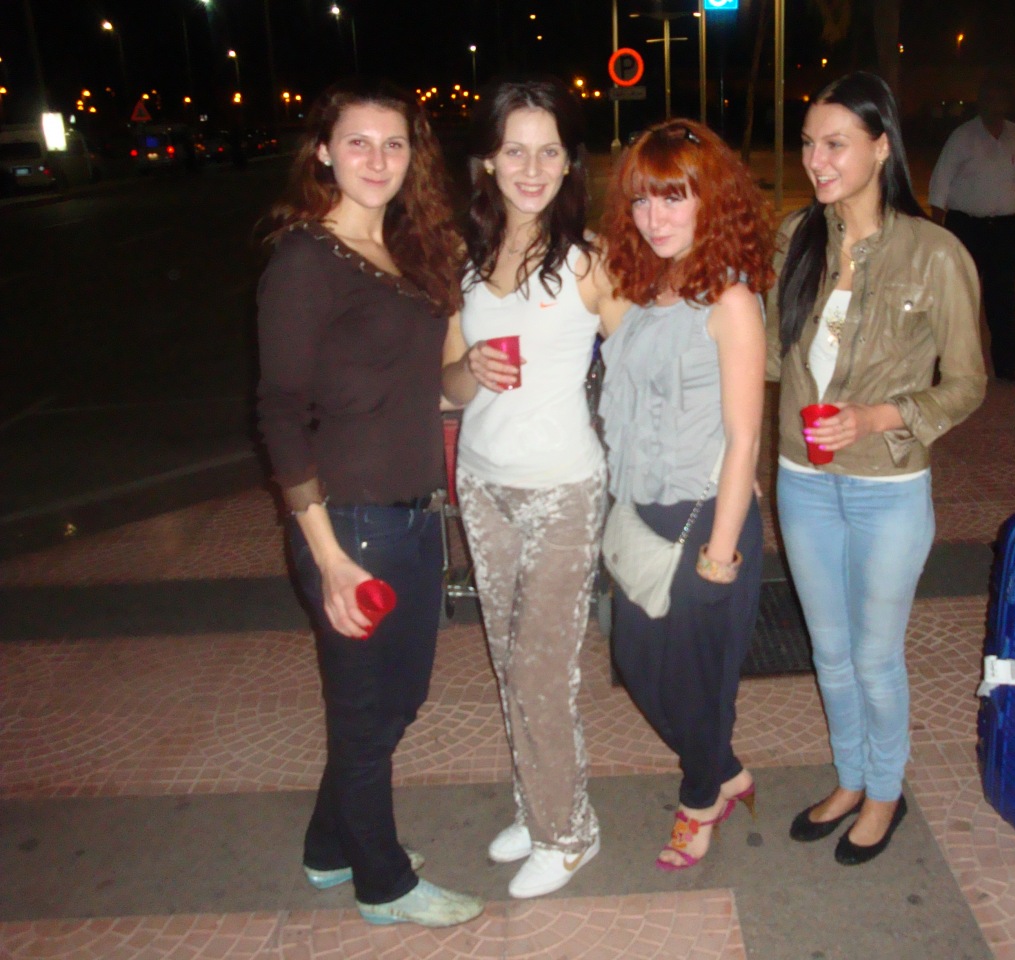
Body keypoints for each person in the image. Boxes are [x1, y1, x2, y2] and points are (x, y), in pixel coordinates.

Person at [256, 78, 483, 928]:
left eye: (394, 144)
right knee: (362, 714)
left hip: (414, 513)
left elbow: (440, 389)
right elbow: (279, 412)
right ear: (324, 151)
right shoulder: (304, 259)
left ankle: (330, 846)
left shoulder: (410, 254)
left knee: (400, 699)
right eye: (358, 141)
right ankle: (382, 882)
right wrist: (326, 559)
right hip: (348, 523)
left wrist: (474, 369)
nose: (377, 159)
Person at [767, 73, 985, 865]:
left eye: (835, 144)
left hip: (887, 487)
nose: (816, 160)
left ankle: (886, 790)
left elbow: (967, 383)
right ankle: (851, 777)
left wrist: (877, 417)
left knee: (873, 654)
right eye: (808, 144)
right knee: (828, 651)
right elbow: (767, 356)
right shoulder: (797, 237)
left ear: (881, 147)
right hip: (802, 478)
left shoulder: (935, 253)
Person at [440, 77, 626, 899]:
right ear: (487, 160)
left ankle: (569, 833)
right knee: (507, 660)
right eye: (514, 150)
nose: (531, 167)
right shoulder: (464, 260)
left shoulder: (590, 260)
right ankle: (539, 801)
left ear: (569, 162)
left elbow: (636, 368)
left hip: (563, 489)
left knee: (541, 672)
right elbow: (448, 383)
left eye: (548, 151)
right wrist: (470, 371)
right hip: (483, 485)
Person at [599, 118, 773, 871]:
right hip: (646, 511)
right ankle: (725, 769)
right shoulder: (650, 286)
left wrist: (721, 554)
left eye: (674, 197)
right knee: (638, 663)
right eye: (642, 199)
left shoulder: (728, 299)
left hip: (708, 518)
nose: (655, 216)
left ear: (712, 199)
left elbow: (744, 436)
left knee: (700, 681)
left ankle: (701, 798)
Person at [928, 73, 1015, 383]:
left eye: (1001, 98)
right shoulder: (963, 137)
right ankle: (948, 368)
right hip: (968, 228)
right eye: (990, 98)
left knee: (1003, 300)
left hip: (1006, 229)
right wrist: (939, 231)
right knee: (959, 300)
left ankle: (1007, 366)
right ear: (980, 101)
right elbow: (940, 184)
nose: (995, 104)